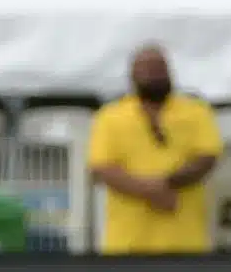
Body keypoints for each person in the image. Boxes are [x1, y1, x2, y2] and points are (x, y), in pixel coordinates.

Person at [87, 45, 222, 256]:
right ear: (132, 76)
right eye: (146, 68)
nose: (154, 74)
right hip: (127, 243)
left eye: (160, 68)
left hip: (186, 242)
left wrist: (166, 184)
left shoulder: (197, 111)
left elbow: (207, 158)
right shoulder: (109, 116)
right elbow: (103, 168)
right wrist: (152, 191)